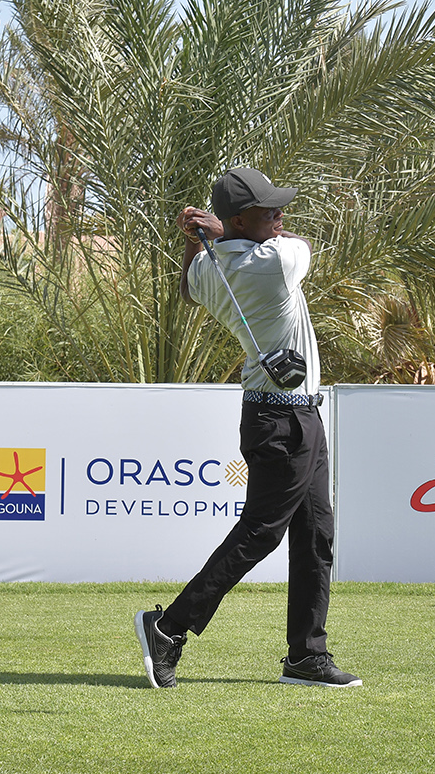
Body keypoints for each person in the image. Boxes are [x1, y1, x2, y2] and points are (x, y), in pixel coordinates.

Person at [134, 167, 360, 689]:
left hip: (287, 415)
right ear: (238, 220)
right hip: (284, 420)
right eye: (268, 210)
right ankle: (168, 627)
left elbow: (189, 288)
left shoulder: (209, 267)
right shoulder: (275, 263)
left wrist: (198, 241)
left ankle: (306, 655)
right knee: (261, 533)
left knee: (316, 533)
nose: (280, 216)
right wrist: (216, 236)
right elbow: (301, 244)